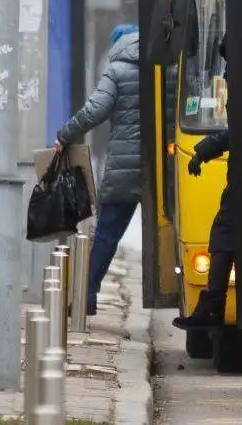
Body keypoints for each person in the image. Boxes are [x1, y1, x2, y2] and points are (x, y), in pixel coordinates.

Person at [54, 24, 142, 316]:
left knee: (106, 234)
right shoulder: (162, 64)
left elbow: (95, 110)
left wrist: (65, 135)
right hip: (164, 170)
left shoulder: (117, 71)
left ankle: (85, 297)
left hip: (125, 168)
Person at [173, 34, 236, 331]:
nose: (225, 72)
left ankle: (212, 307)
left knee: (225, 232)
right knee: (224, 233)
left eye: (227, 61)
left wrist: (204, 150)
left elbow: (241, 131)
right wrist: (203, 150)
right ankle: (212, 306)